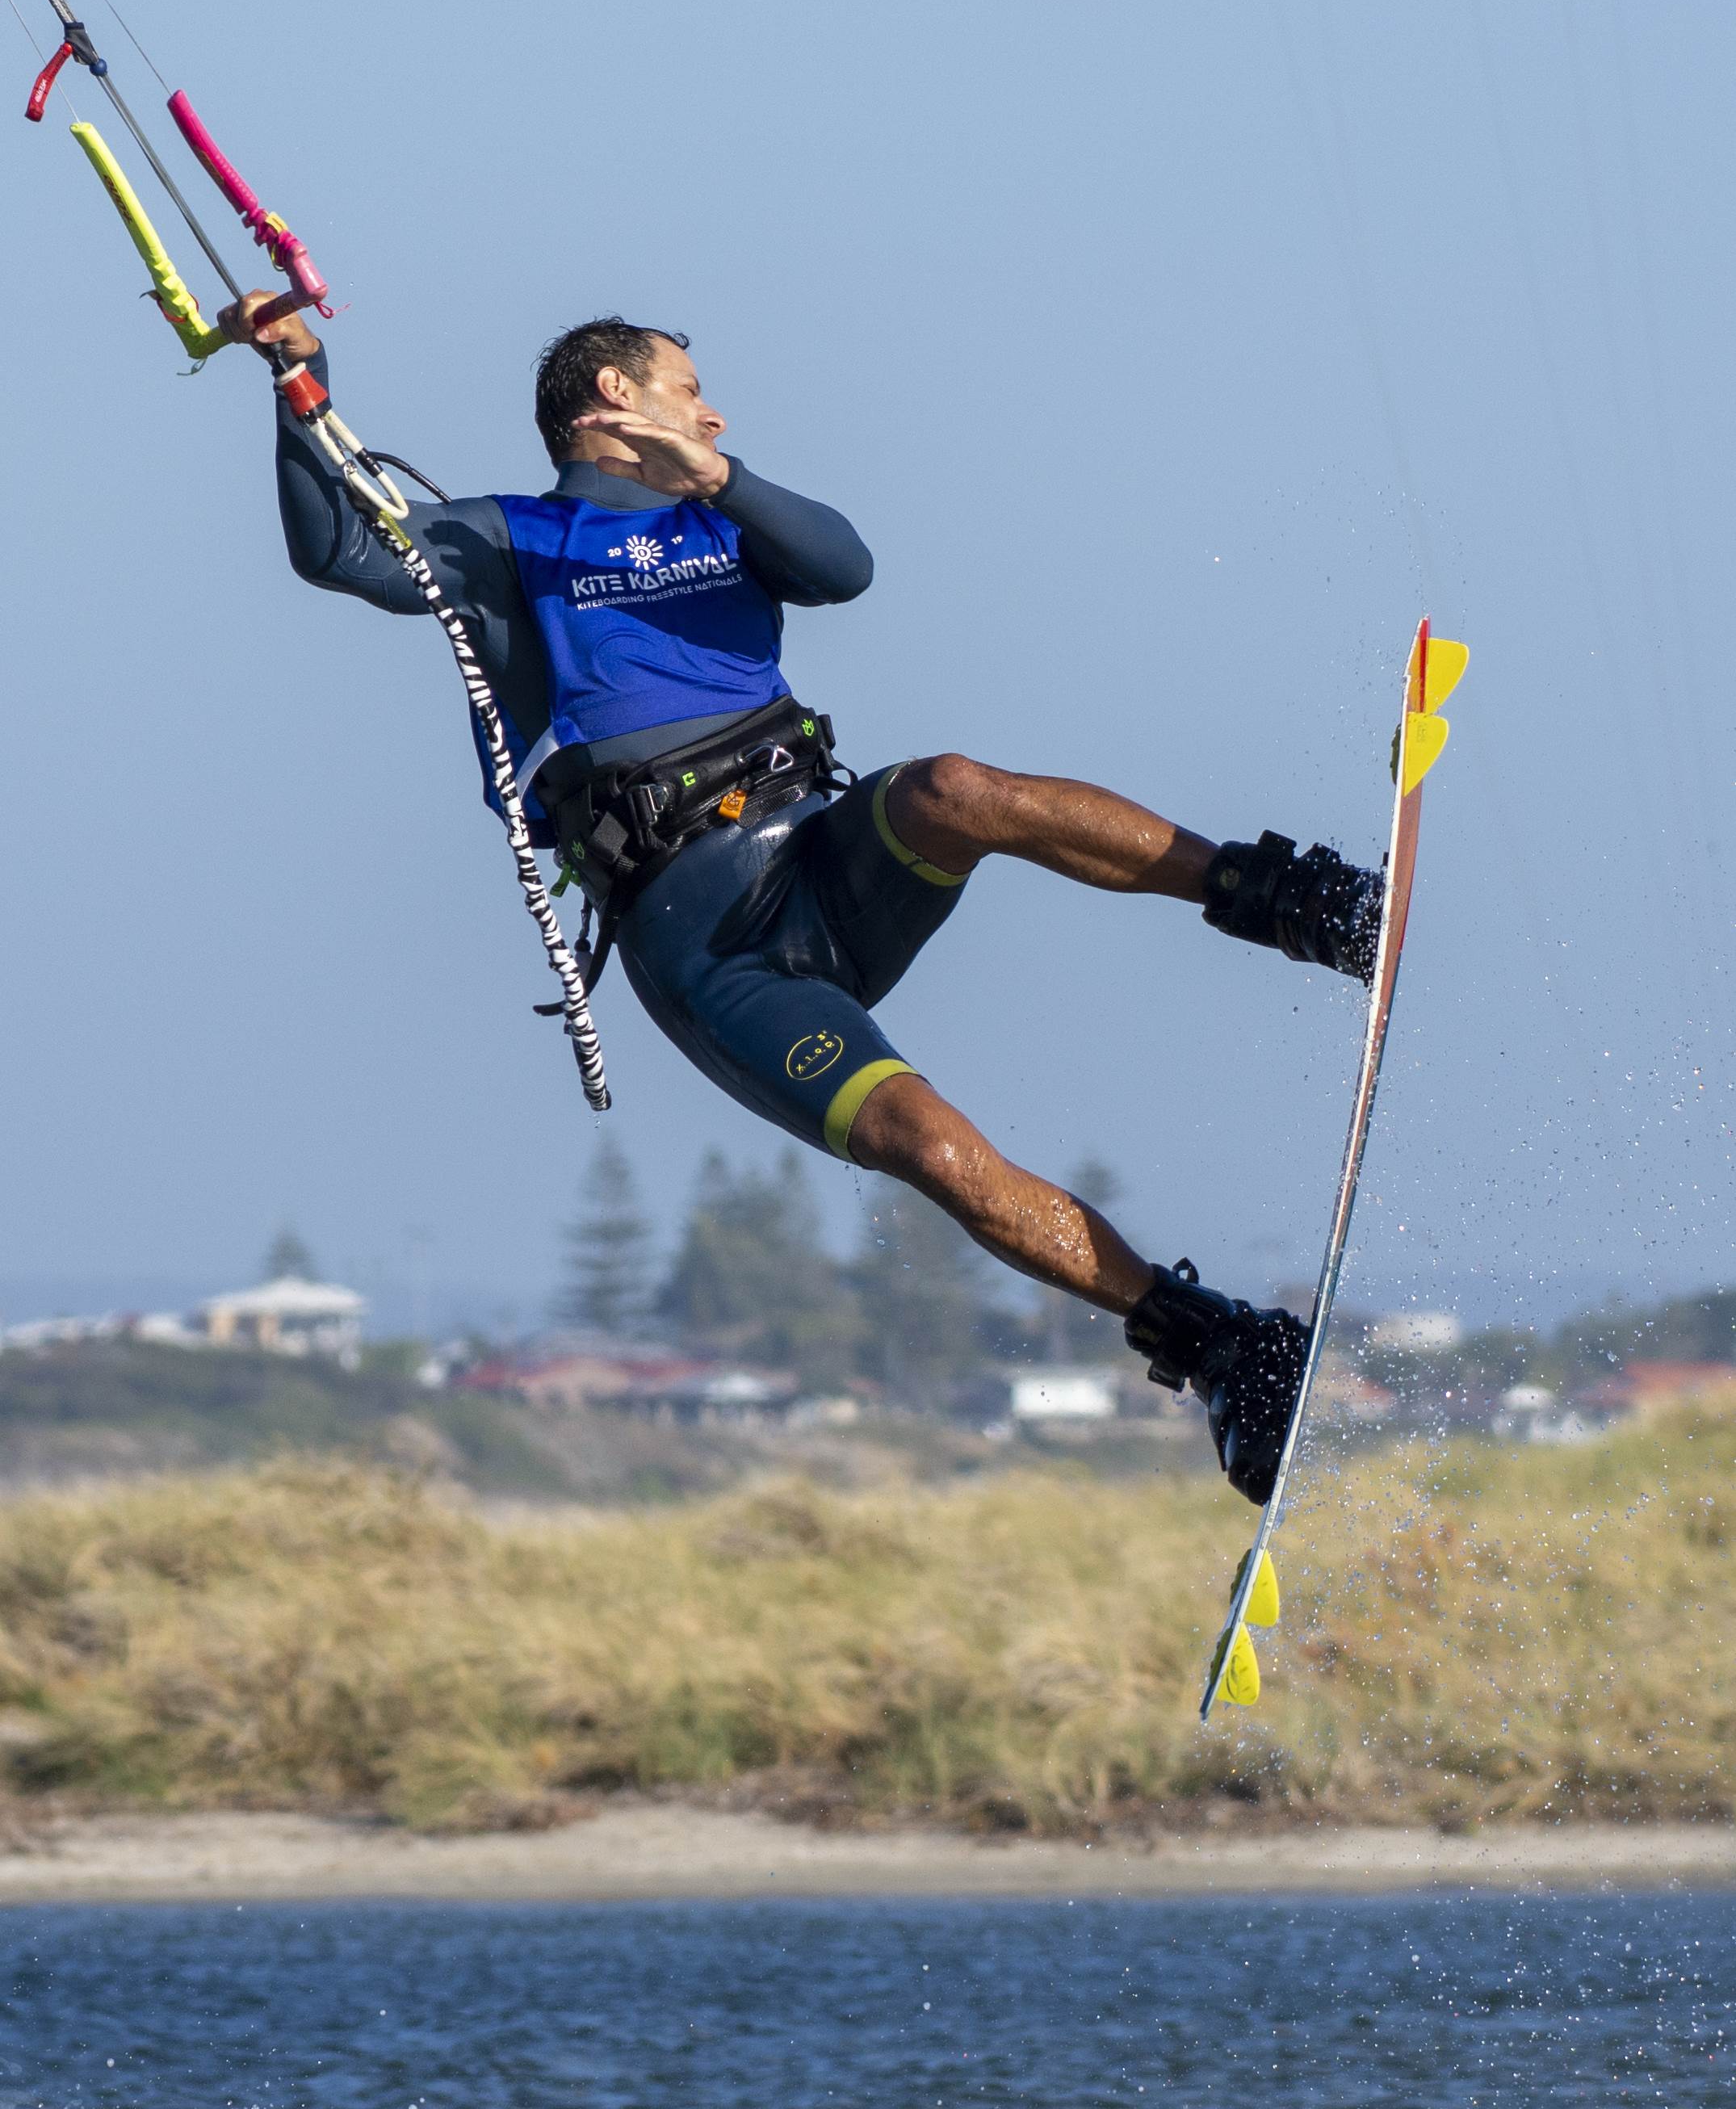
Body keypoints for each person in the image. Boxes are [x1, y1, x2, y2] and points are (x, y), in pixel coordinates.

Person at [227, 298, 1382, 1504]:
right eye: (687, 388)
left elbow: (845, 568)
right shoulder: (503, 539)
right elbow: (342, 553)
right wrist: (299, 382)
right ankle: (1223, 1348)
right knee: (928, 1148)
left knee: (952, 788)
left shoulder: (722, 518)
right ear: (613, 397)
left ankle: (1283, 900)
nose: (712, 410)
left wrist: (717, 479)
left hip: (821, 858)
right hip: (714, 953)